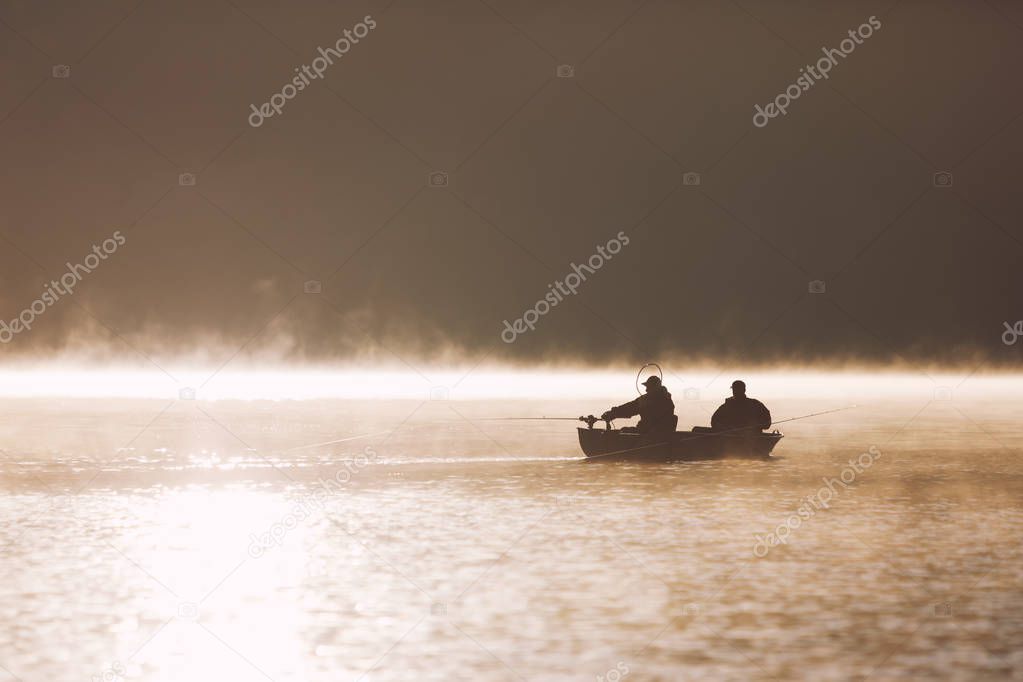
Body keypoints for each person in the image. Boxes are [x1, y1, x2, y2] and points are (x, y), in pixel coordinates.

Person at [601, 376, 677, 434]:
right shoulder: (667, 400)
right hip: (658, 436)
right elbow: (630, 408)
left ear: (655, 388)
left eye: (649, 387)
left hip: (648, 436)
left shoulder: (649, 401)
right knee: (624, 430)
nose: (646, 390)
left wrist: (613, 414)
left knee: (624, 430)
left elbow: (630, 408)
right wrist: (614, 413)